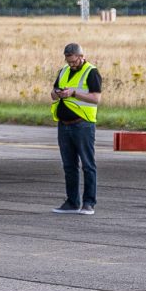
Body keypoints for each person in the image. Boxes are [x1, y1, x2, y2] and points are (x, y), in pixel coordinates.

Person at [50, 42, 101, 216]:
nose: (71, 64)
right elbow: (52, 94)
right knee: (69, 166)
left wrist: (73, 93)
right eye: (68, 61)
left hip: (83, 124)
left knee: (88, 165)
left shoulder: (91, 72)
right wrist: (58, 93)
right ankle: (72, 202)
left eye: (73, 61)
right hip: (64, 125)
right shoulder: (63, 71)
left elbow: (96, 98)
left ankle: (88, 203)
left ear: (81, 56)